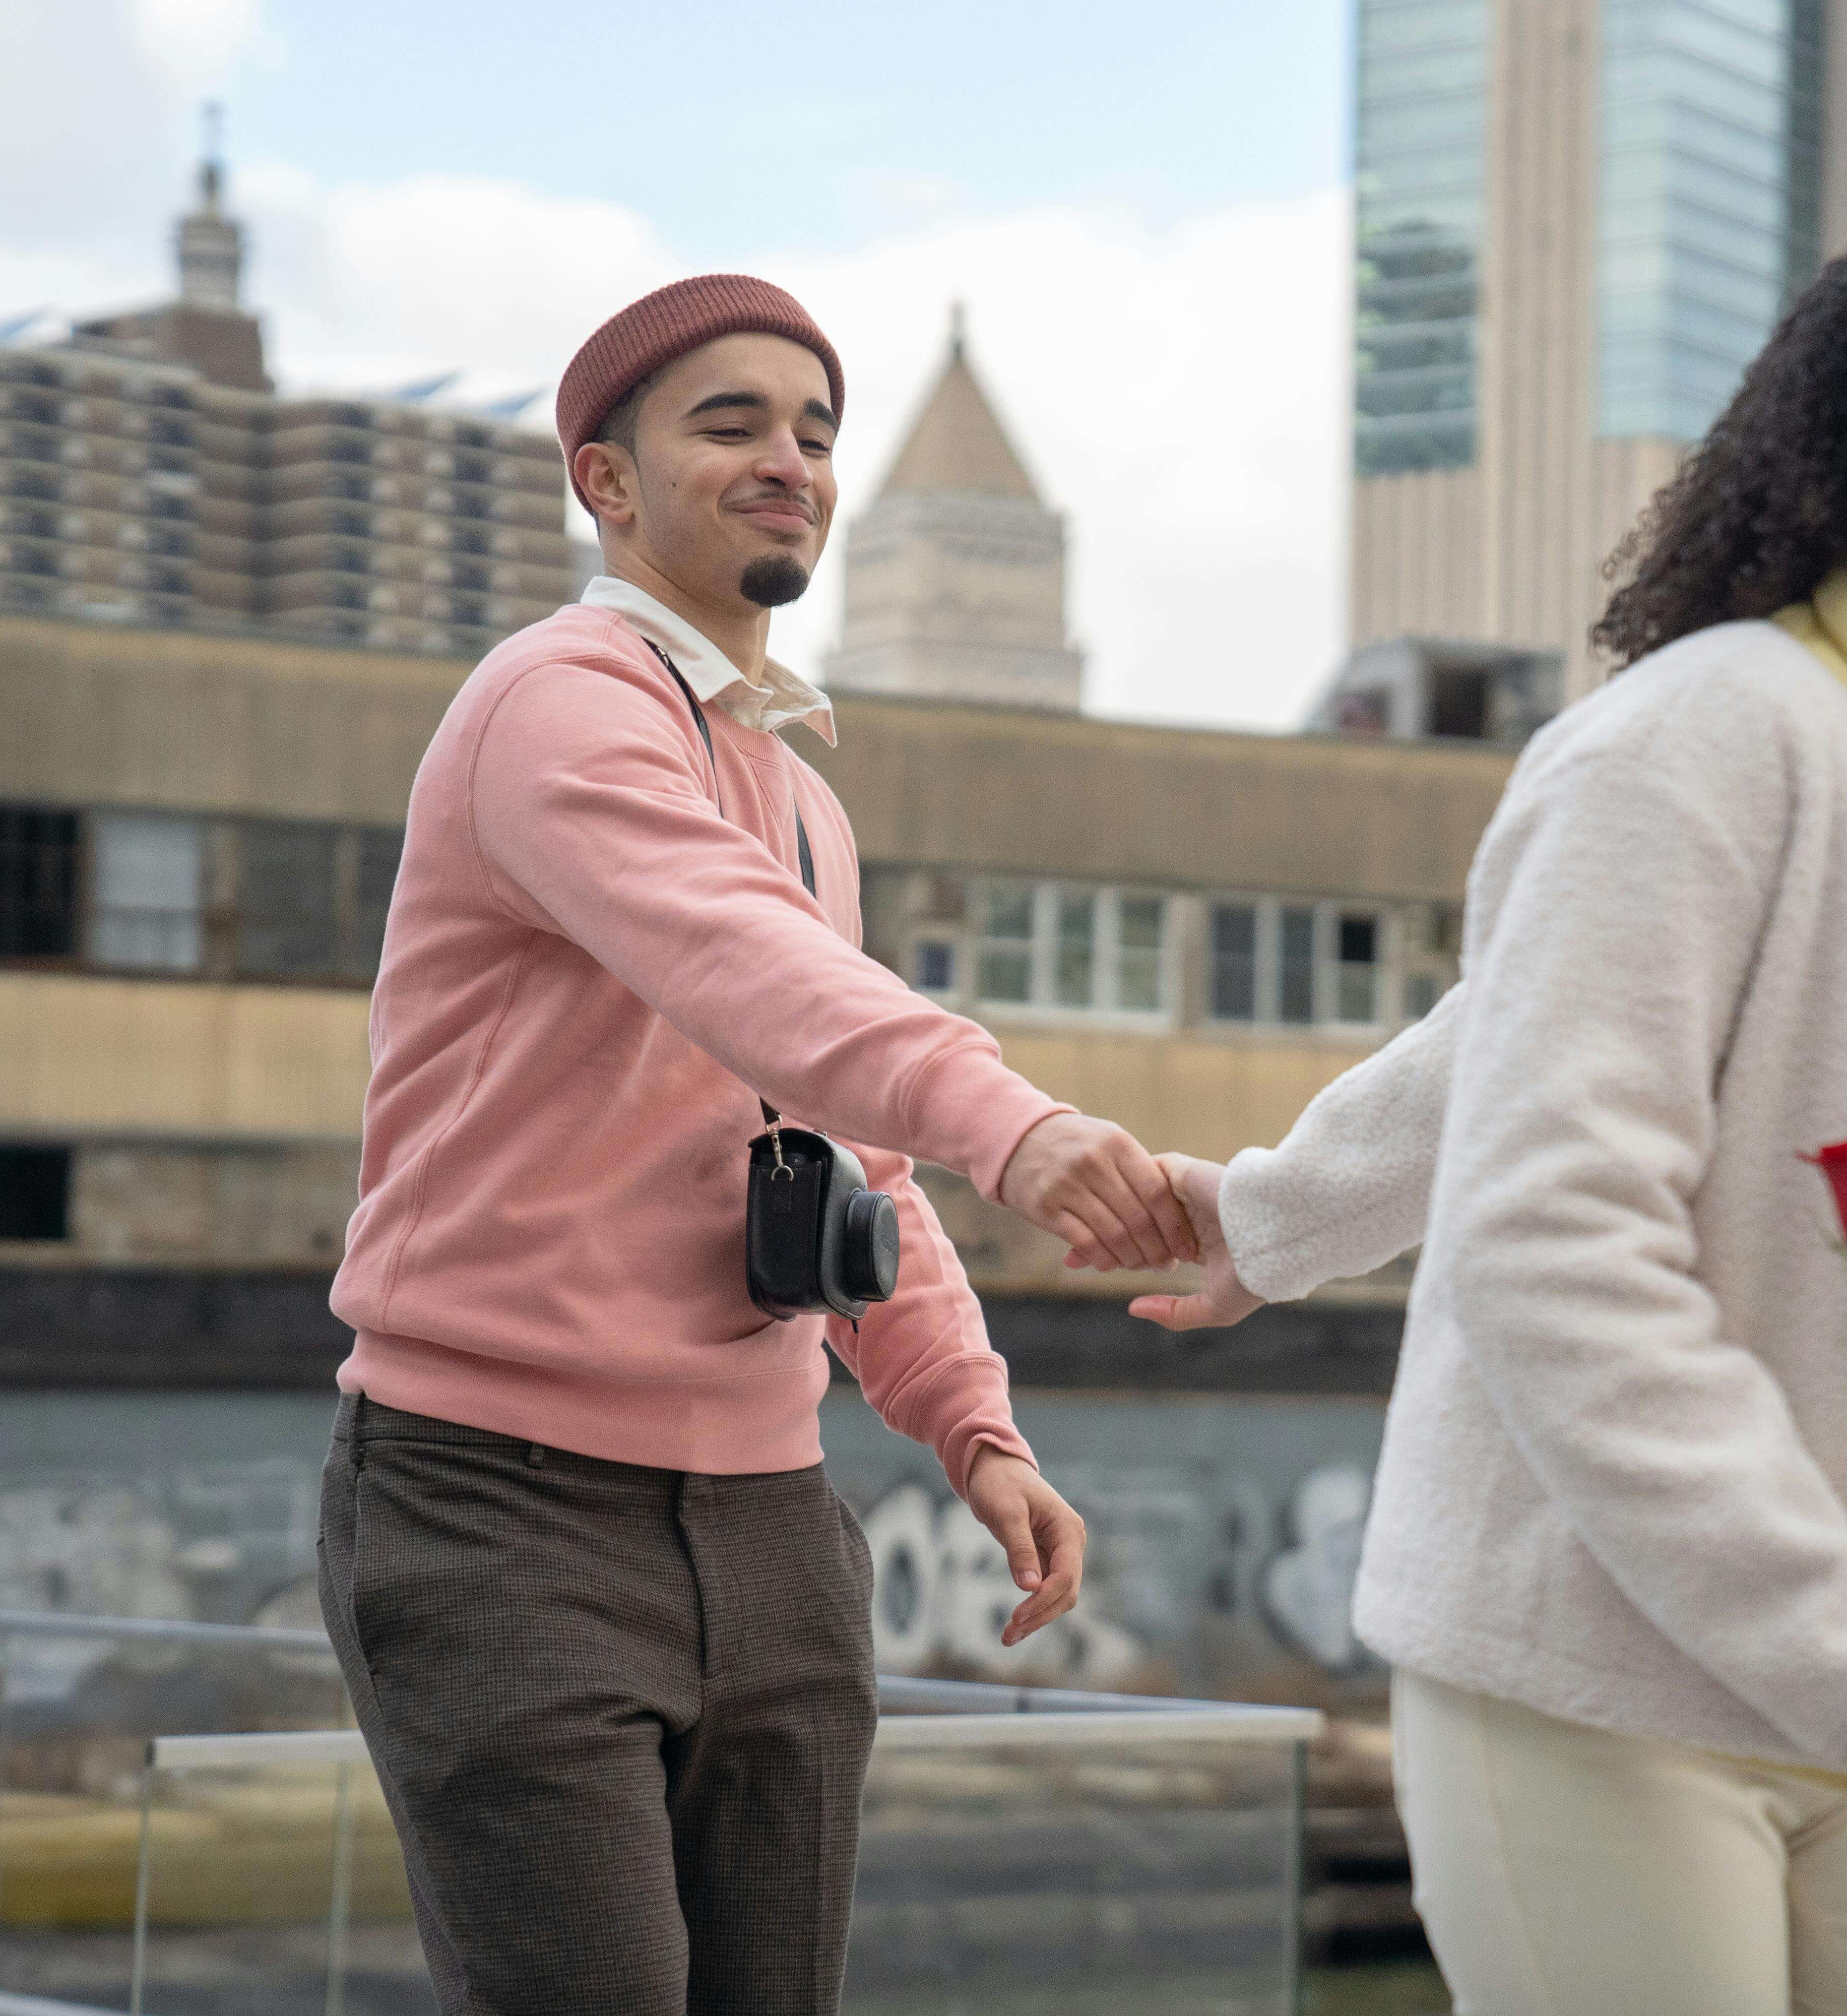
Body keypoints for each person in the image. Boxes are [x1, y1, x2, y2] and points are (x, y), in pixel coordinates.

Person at [1132, 202, 1847, 2013]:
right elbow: (1551, 1227)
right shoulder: (1707, 736)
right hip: (1598, 1681)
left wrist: (1268, 1219)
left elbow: (1512, 1033)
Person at [317, 273, 1195, 2016]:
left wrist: (970, 1422)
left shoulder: (801, 793)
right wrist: (1020, 1125)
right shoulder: (557, 704)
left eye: (813, 430)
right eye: (730, 423)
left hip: (776, 1518)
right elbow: (758, 973)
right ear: (608, 482)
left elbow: (847, 1148)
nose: (788, 458)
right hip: (501, 1507)